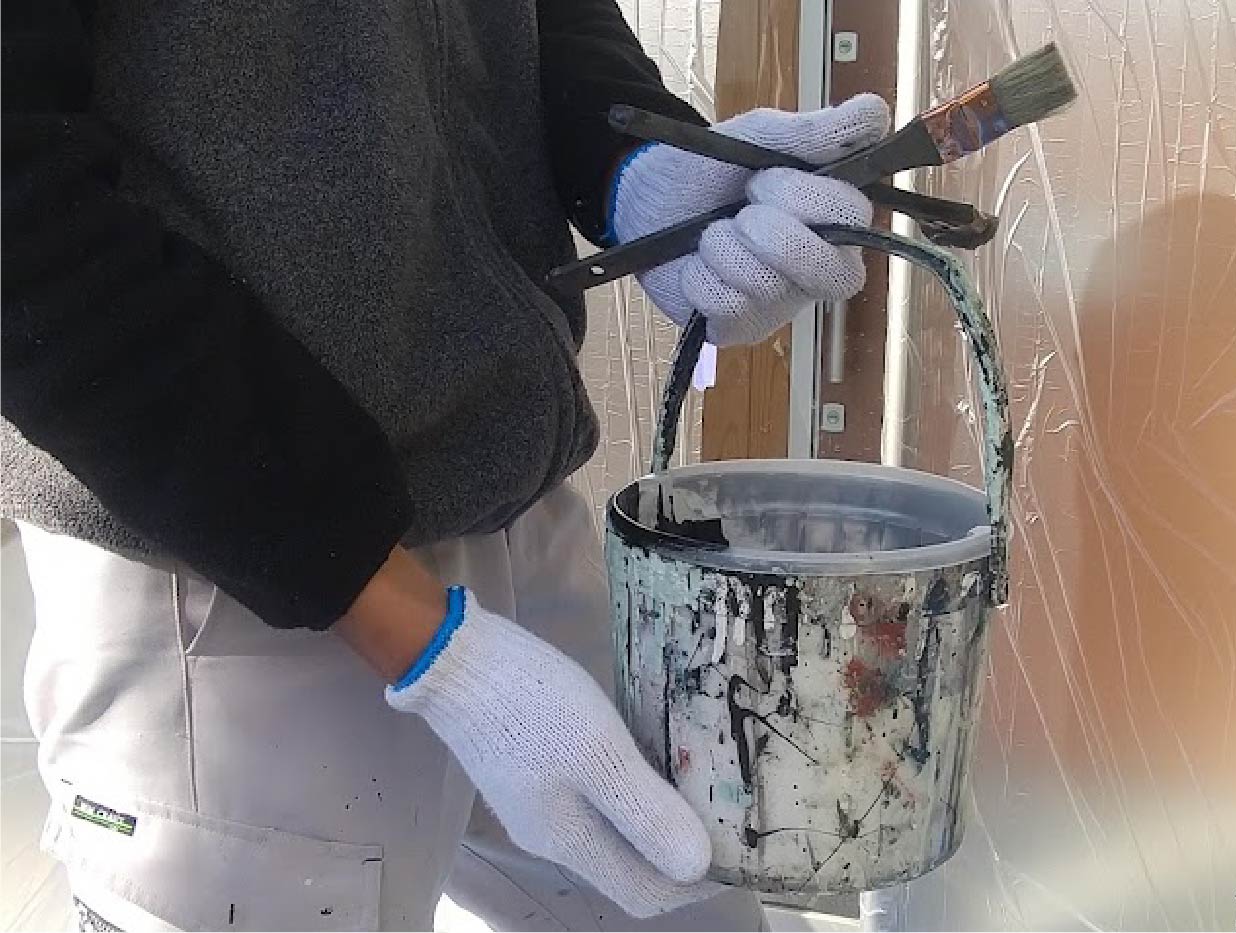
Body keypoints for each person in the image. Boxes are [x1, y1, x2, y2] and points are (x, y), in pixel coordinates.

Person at [1, 0, 890, 929]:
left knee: (692, 902)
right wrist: (434, 649)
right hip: (225, 559)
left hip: (510, 500)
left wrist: (634, 165)